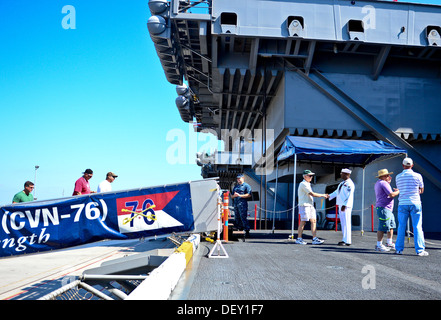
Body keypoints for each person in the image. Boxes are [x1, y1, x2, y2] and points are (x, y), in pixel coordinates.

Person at [395, 158, 428, 256]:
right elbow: (421, 190)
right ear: (412, 165)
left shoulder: (398, 177)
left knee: (401, 226)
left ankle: (399, 249)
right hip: (415, 202)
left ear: (403, 165)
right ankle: (420, 250)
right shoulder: (418, 176)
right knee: (417, 226)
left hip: (403, 203)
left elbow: (400, 189)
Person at [295, 170, 328, 245]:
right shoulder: (303, 184)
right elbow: (312, 194)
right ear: (305, 176)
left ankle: (314, 238)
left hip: (310, 205)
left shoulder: (307, 184)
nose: (311, 177)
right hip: (305, 205)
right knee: (303, 222)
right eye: (310, 176)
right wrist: (323, 195)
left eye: (312, 176)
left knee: (313, 221)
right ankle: (299, 238)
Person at [374, 169, 399, 252]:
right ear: (383, 176)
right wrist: (398, 191)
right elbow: (391, 194)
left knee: (391, 225)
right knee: (382, 226)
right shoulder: (383, 183)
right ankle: (379, 245)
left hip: (386, 208)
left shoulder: (379, 183)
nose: (389, 177)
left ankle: (389, 243)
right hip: (384, 208)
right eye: (387, 175)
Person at [329, 168, 355, 246]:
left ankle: (347, 241)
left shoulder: (350, 184)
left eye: (342, 173)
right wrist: (328, 196)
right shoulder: (342, 183)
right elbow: (337, 192)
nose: (340, 174)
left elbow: (349, 196)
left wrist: (345, 205)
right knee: (343, 223)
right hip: (341, 205)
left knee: (346, 223)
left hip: (345, 206)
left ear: (347, 174)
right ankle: (344, 239)